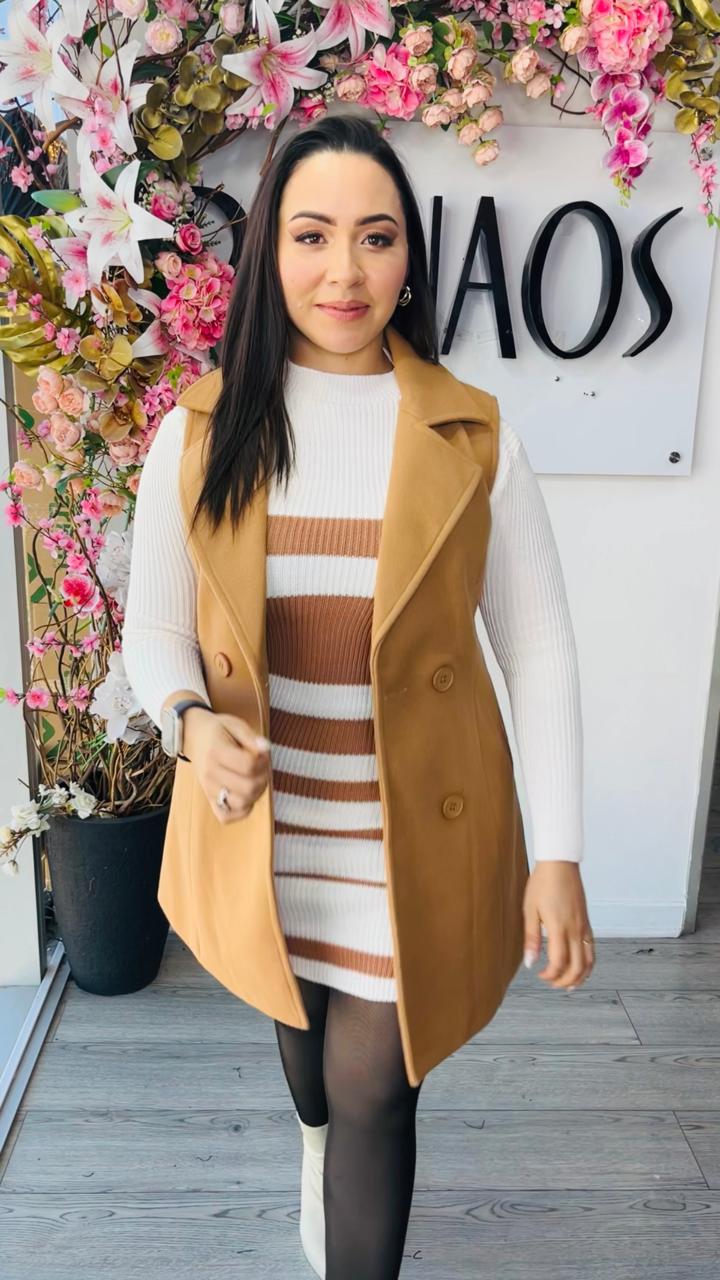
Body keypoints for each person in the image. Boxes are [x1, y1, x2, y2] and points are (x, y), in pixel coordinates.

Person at [122, 112, 593, 1280]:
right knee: (308, 1053)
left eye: (376, 238)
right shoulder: (200, 433)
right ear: (269, 253)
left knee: (375, 1084)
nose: (345, 271)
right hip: (267, 826)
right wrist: (189, 722)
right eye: (312, 235)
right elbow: (157, 630)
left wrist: (558, 853)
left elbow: (538, 646)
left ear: (410, 259)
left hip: (408, 831)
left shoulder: (473, 437)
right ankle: (312, 1138)